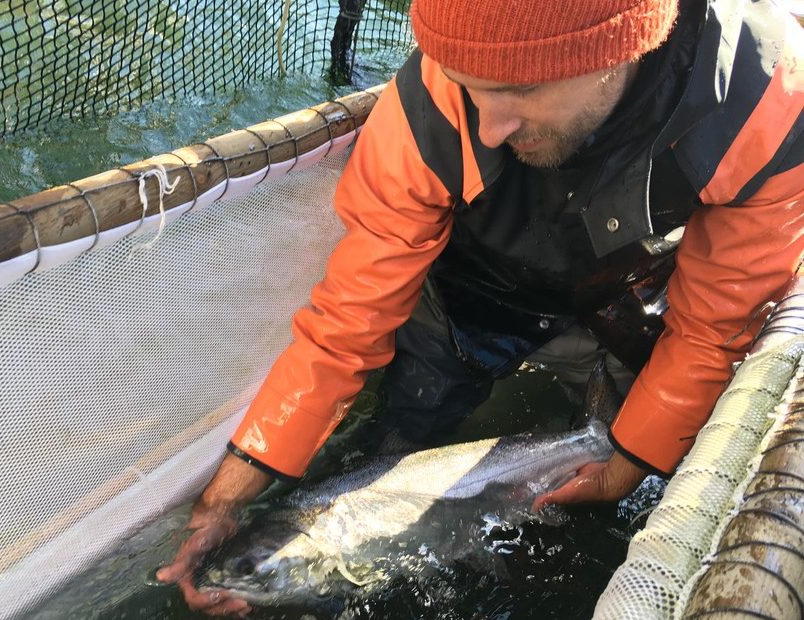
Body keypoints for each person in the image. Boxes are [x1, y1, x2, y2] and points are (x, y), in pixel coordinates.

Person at [158, 0, 804, 614]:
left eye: (519, 90)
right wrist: (235, 488)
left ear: (619, 50)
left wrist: (628, 463)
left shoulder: (764, 108)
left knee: (653, 467)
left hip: (619, 294)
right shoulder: (423, 109)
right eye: (468, 84)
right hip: (471, 293)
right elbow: (348, 320)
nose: (487, 125)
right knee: (398, 432)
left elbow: (713, 329)